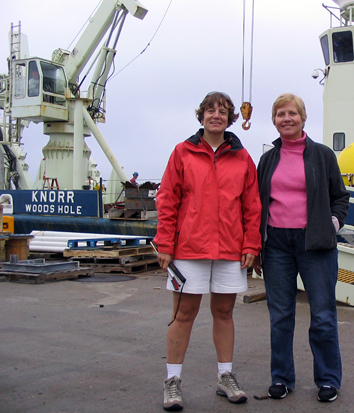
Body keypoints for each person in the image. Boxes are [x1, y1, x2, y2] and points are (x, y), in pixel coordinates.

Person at [154, 92, 262, 411]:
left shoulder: (242, 158)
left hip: (230, 250)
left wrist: (251, 244)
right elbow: (167, 199)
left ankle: (225, 376)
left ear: (230, 119)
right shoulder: (182, 152)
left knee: (224, 313)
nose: (216, 115)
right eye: (210, 110)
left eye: (223, 111)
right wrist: (165, 244)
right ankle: (172, 381)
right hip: (189, 250)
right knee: (183, 314)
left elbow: (252, 205)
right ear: (201, 116)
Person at [254, 93, 350, 403]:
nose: (287, 119)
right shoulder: (267, 160)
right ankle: (281, 377)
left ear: (303, 118)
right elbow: (257, 203)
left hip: (316, 244)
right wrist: (256, 244)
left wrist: (331, 224)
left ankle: (328, 379)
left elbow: (340, 197)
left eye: (292, 113)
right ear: (274, 120)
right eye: (280, 114)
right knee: (280, 315)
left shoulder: (322, 155)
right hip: (276, 244)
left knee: (322, 314)